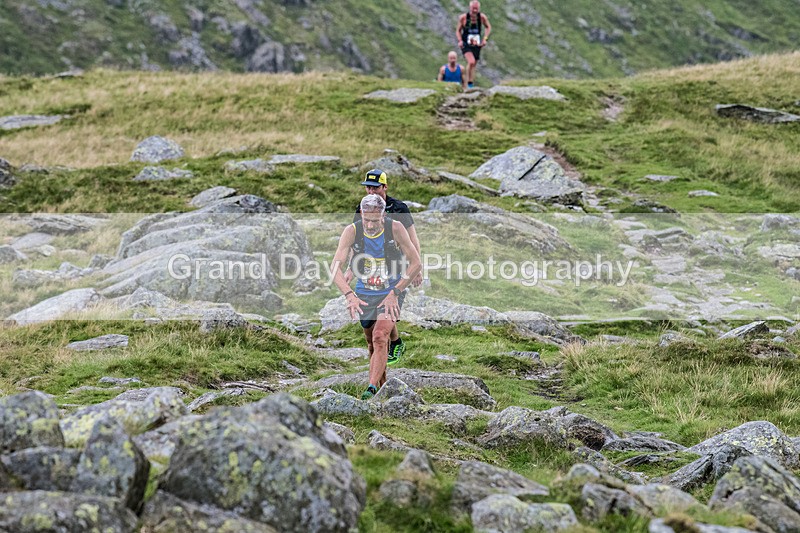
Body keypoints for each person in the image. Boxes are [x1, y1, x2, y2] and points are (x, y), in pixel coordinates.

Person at [332, 194, 421, 400]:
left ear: (383, 215)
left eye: (375, 221)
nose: (370, 226)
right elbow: (335, 267)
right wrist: (349, 294)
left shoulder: (395, 228)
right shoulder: (352, 231)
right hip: (365, 292)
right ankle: (382, 385)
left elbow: (416, 263)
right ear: (361, 214)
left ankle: (370, 389)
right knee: (372, 344)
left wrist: (395, 292)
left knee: (380, 336)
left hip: (391, 291)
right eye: (367, 220)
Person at [346, 169, 422, 367]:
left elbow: (413, 239)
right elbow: (357, 240)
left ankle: (393, 344)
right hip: (372, 267)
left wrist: (418, 268)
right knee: (375, 316)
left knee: (389, 305)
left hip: (396, 264)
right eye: (368, 187)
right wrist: (350, 268)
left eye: (375, 187)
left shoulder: (399, 208)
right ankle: (392, 345)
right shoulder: (362, 207)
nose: (371, 191)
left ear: (385, 187)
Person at [456, 0, 491, 89]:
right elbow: (458, 30)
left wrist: (485, 39)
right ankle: (468, 83)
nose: (475, 11)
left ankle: (469, 84)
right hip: (466, 44)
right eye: (473, 9)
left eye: (476, 9)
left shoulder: (482, 17)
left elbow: (488, 27)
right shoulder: (463, 17)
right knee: (471, 62)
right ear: (470, 8)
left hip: (476, 44)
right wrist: (460, 41)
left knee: (474, 65)